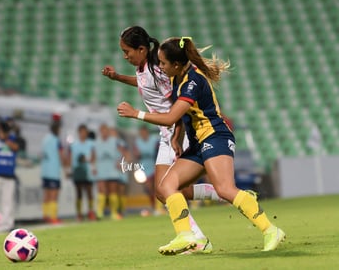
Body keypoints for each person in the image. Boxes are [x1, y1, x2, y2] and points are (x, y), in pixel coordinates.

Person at [117, 36, 285, 255]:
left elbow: (170, 117)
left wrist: (135, 113)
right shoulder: (178, 76)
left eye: (163, 63)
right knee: (166, 188)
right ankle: (187, 236)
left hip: (215, 137)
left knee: (225, 189)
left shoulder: (192, 82)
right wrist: (177, 137)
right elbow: (180, 117)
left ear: (176, 64)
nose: (160, 67)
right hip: (197, 143)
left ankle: (270, 230)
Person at [103, 26, 220, 253]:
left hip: (179, 132)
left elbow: (177, 106)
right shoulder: (144, 68)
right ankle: (219, 200)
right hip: (166, 133)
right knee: (165, 192)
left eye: (127, 51)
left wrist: (175, 136)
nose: (124, 56)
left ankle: (204, 227)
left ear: (142, 49)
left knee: (169, 190)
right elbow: (144, 84)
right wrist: (117, 77)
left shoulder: (158, 71)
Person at [94, 124, 124, 220]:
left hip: (112, 169)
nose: (104, 133)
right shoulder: (96, 142)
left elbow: (124, 152)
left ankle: (114, 213)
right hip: (101, 169)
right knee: (102, 190)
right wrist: (93, 167)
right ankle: (99, 212)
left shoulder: (115, 141)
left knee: (113, 191)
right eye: (102, 131)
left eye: (106, 130)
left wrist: (121, 162)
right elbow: (93, 155)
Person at [69, 124, 96, 221]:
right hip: (78, 170)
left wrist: (93, 166)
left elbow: (93, 156)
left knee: (89, 192)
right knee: (79, 192)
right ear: (79, 133)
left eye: (85, 132)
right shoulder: (74, 145)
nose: (83, 134)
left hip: (88, 170)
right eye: (81, 132)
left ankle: (91, 211)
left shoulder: (91, 143)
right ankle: (79, 214)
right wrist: (70, 169)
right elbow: (71, 157)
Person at [40, 121, 66, 224]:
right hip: (54, 171)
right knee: (54, 195)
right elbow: (61, 154)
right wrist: (65, 166)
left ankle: (45, 215)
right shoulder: (56, 140)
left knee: (46, 194)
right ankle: (53, 217)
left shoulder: (45, 139)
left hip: (45, 171)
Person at [133, 125, 160, 214]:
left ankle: (159, 207)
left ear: (147, 132)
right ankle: (154, 207)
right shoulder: (138, 142)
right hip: (144, 167)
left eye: (144, 132)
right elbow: (136, 154)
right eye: (142, 133)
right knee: (149, 188)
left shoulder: (154, 140)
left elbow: (159, 150)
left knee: (157, 187)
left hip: (154, 164)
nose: (143, 134)